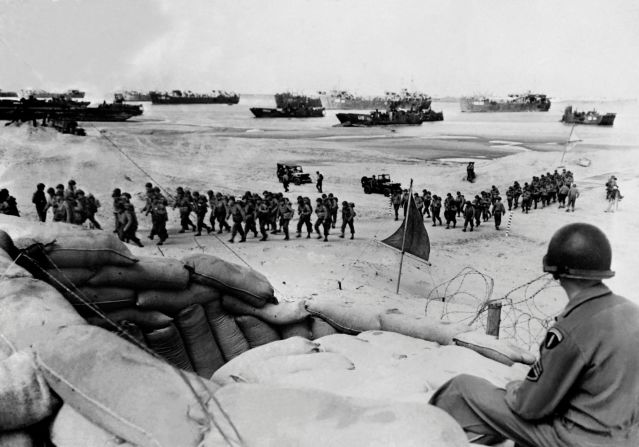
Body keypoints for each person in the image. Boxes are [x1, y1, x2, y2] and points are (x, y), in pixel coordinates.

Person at [430, 223, 639, 447]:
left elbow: (528, 407)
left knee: (461, 389)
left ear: (556, 272)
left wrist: (514, 386)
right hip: (625, 436)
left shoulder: (571, 329)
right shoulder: (631, 311)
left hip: (576, 439)